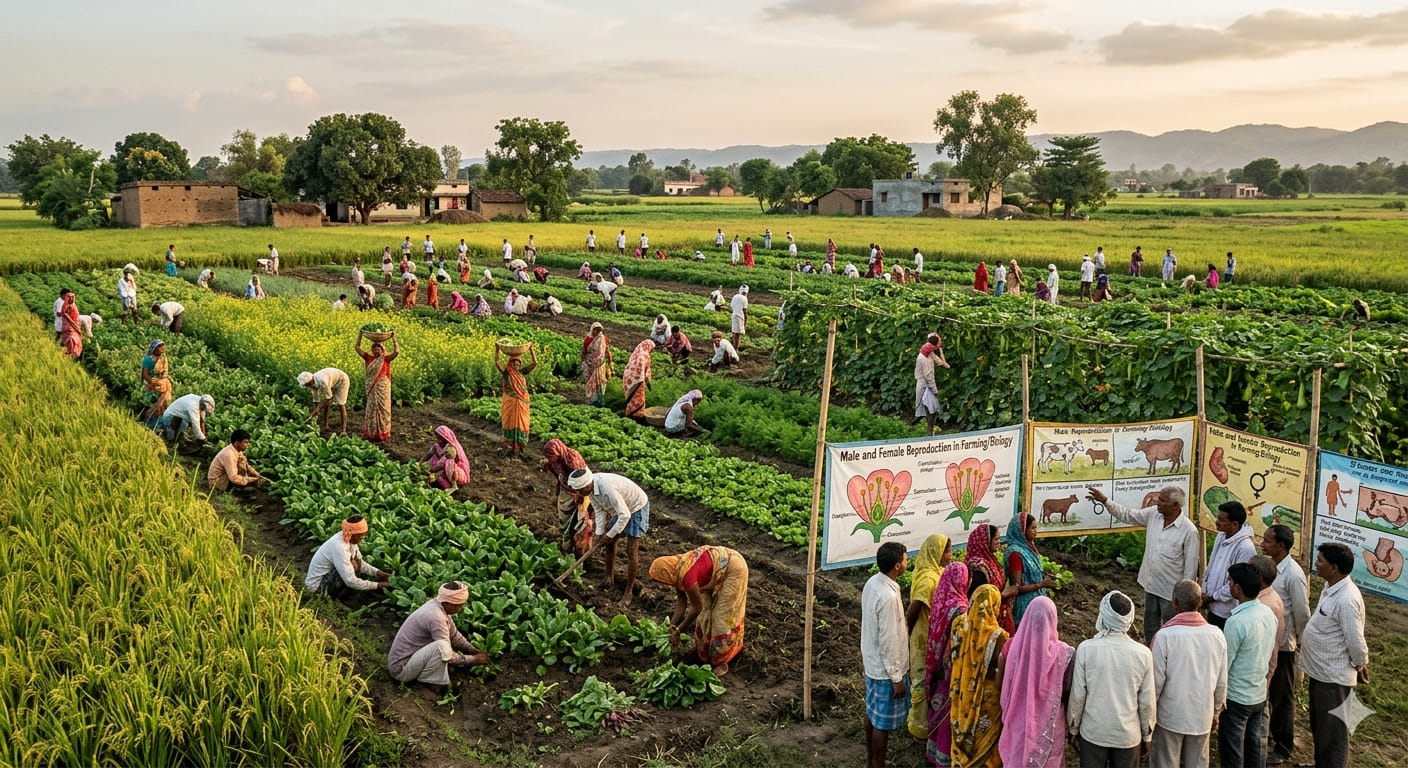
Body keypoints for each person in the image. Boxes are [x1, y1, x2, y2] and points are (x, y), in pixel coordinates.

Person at [1086, 485, 1201, 645]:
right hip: (1151, 584)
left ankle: (1170, 659)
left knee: (1173, 631)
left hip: (1171, 593)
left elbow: (1190, 569)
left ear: (1175, 506)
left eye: (1162, 500)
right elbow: (1128, 515)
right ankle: (1151, 654)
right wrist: (1105, 501)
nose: (1157, 502)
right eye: (1158, 498)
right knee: (1150, 627)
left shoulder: (1189, 531)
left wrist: (1183, 598)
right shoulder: (1154, 514)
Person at [1299, 542, 1369, 768]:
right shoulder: (1332, 587)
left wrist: (1360, 665)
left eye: (1321, 561)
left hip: (1333, 679)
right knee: (1321, 729)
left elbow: (1356, 641)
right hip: (1322, 674)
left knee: (1333, 735)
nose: (1317, 564)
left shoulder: (1346, 599)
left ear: (1334, 568)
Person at [1067, 591, 1156, 768]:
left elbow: (1078, 695)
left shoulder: (1086, 649)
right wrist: (1147, 735)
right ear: (1129, 620)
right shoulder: (1143, 654)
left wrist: (1073, 728)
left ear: (1103, 615)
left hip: (1093, 733)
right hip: (1127, 737)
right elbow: (1147, 702)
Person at [1150, 579, 1227, 768]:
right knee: (1198, 762)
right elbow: (1221, 681)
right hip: (1202, 714)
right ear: (1200, 603)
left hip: (1170, 716)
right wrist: (1216, 712)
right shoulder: (1216, 635)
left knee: (1165, 761)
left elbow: (1155, 683)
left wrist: (1149, 717)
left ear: (1174, 602)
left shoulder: (1164, 636)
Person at [997, 596, 1074, 768]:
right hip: (1048, 725)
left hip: (1016, 719)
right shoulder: (1063, 653)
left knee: (1016, 756)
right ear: (1053, 619)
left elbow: (1000, 683)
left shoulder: (1010, 647)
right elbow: (1067, 690)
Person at [649, 545, 749, 677]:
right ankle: (705, 653)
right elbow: (681, 603)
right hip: (715, 573)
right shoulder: (676, 571)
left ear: (666, 574)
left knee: (722, 619)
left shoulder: (686, 575)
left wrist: (679, 630)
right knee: (705, 617)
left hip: (733, 569)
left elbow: (697, 607)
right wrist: (671, 627)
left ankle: (722, 660)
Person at [1218, 562, 1278, 768]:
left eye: (1230, 582)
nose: (1229, 585)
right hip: (1258, 692)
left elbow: (1224, 664)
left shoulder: (1237, 622)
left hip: (1237, 696)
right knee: (1255, 748)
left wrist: (1216, 701)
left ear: (1237, 588)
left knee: (1233, 751)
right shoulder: (1267, 614)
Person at [388, 581, 488, 700]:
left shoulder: (438, 606)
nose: (461, 608)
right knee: (442, 647)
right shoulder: (436, 617)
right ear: (449, 603)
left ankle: (433, 675)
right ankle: (430, 683)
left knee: (446, 655)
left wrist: (472, 650)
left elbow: (454, 635)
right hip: (401, 670)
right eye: (460, 605)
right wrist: (472, 660)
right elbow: (447, 653)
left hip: (411, 658)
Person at [1260, 525, 1309, 765]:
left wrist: (1300, 640)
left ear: (1281, 546)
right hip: (1266, 642)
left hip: (1283, 646)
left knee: (1281, 698)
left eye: (1267, 541)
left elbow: (1301, 613)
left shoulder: (1293, 574)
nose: (1262, 543)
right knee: (1267, 693)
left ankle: (1283, 746)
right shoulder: (1270, 566)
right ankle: (1269, 734)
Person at [567, 467, 650, 604]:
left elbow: (625, 515)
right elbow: (599, 511)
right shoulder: (589, 490)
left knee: (631, 549)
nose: (580, 493)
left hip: (636, 506)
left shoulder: (607, 488)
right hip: (620, 509)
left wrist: (609, 534)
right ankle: (609, 578)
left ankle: (628, 592)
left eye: (582, 489)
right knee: (609, 543)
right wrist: (599, 534)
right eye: (578, 490)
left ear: (589, 483)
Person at [861, 541, 910, 768]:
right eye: (906, 558)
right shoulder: (888, 597)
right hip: (885, 669)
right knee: (882, 723)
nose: (907, 561)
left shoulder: (874, 583)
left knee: (872, 713)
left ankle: (872, 759)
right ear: (898, 566)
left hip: (873, 663)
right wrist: (897, 677)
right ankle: (878, 763)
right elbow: (889, 639)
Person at [950, 583, 1008, 767]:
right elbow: (1000, 672)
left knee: (961, 726)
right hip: (987, 698)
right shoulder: (999, 636)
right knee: (986, 739)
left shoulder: (959, 623)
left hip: (960, 693)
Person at [901, 535, 950, 739]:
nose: (950, 555)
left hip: (933, 636)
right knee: (921, 677)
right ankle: (919, 726)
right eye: (947, 551)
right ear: (936, 553)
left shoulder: (936, 572)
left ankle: (929, 719)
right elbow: (914, 608)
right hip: (922, 636)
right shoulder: (928, 579)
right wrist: (906, 631)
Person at [924, 562, 970, 765]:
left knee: (939, 703)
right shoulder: (960, 608)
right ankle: (944, 755)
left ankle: (932, 750)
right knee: (949, 711)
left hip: (939, 661)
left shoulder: (943, 598)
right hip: (954, 665)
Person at [1202, 500, 1257, 630]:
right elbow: (1211, 567)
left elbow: (1237, 581)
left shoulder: (1245, 547)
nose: (1216, 521)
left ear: (1234, 524)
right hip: (1212, 604)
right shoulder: (1221, 536)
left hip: (1227, 611)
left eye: (1221, 519)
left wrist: (1212, 597)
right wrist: (1205, 592)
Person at [305, 516, 389, 596]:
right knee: (353, 565)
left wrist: (379, 573)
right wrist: (378, 585)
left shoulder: (349, 538)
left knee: (356, 562)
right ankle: (334, 596)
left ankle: (343, 592)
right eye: (360, 535)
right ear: (352, 533)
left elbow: (360, 562)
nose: (362, 538)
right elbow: (350, 581)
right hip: (317, 586)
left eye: (364, 534)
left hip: (327, 576)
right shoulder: (339, 547)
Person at [542, 439, 592, 556]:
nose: (550, 459)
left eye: (552, 456)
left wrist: (579, 496)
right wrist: (557, 493)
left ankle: (580, 551)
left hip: (579, 493)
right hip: (565, 493)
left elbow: (582, 483)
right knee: (565, 522)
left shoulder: (572, 461)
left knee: (580, 524)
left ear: (559, 452)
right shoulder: (555, 462)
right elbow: (559, 477)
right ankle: (567, 545)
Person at [1005, 512, 1055, 628]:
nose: (1035, 531)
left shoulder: (1029, 547)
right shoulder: (1015, 554)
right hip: (1025, 606)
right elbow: (1017, 587)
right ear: (1022, 531)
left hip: (1037, 602)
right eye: (1032, 528)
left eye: (1036, 527)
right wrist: (1041, 584)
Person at [965, 523, 1014, 634]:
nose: (999, 542)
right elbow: (979, 600)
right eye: (996, 539)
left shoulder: (991, 560)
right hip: (985, 622)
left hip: (998, 612)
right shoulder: (978, 569)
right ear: (985, 541)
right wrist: (1003, 595)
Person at [495, 345, 538, 457]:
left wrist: (531, 349)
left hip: (522, 403)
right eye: (514, 363)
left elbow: (535, 363)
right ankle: (509, 446)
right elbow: (497, 362)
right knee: (510, 422)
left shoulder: (521, 374)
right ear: (510, 364)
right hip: (511, 403)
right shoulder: (507, 373)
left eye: (518, 364)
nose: (516, 365)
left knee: (522, 424)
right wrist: (497, 349)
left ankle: (520, 446)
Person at [356, 332, 399, 442]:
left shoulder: (386, 359)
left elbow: (397, 352)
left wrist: (393, 338)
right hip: (371, 388)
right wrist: (360, 335)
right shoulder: (368, 358)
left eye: (378, 349)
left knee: (383, 409)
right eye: (374, 349)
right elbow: (357, 347)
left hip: (383, 389)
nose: (376, 351)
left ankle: (383, 432)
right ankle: (371, 433)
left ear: (382, 350)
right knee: (371, 409)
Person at [207, 428, 266, 493]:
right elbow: (234, 478)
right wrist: (253, 479)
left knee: (242, 462)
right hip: (218, 482)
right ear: (237, 443)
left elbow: (246, 466)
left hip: (225, 476)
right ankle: (231, 490)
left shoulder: (237, 450)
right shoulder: (229, 454)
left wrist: (257, 474)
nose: (248, 444)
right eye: (245, 442)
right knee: (251, 490)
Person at [298, 368, 350, 434]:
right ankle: (326, 426)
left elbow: (329, 398)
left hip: (342, 380)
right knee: (326, 404)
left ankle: (343, 430)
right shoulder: (312, 385)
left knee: (341, 404)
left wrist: (317, 410)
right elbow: (316, 400)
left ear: (310, 381)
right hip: (332, 381)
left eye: (307, 385)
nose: (307, 386)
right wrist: (314, 415)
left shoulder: (322, 381)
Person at [424, 425, 471, 490]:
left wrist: (431, 471)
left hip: (458, 474)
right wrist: (419, 463)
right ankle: (445, 482)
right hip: (447, 473)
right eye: (437, 438)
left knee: (448, 461)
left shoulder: (451, 448)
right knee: (435, 457)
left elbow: (441, 463)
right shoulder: (438, 445)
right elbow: (429, 453)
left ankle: (454, 486)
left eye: (440, 439)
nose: (439, 441)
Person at [913, 342, 943, 436]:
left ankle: (929, 430)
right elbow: (928, 376)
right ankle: (930, 432)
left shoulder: (922, 356)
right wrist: (934, 390)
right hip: (925, 384)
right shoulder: (925, 359)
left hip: (922, 383)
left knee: (928, 406)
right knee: (931, 406)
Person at [140, 339, 171, 427]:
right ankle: (148, 423)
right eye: (160, 347)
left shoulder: (163, 359)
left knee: (163, 404)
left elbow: (164, 374)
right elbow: (144, 374)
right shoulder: (148, 360)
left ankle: (158, 425)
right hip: (152, 386)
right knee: (152, 403)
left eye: (162, 346)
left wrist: (161, 382)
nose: (162, 348)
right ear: (154, 349)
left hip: (163, 385)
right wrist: (152, 382)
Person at [621, 340, 655, 420]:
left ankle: (630, 412)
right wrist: (648, 382)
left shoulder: (636, 353)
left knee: (631, 396)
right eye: (652, 349)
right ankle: (637, 415)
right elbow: (646, 371)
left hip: (628, 378)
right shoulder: (646, 355)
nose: (652, 351)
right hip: (638, 380)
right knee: (639, 397)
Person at [581, 322, 613, 406]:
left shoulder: (603, 339)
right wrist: (582, 362)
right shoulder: (588, 339)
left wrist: (610, 363)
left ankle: (598, 401)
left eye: (599, 330)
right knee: (589, 382)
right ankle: (591, 400)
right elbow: (584, 351)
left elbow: (607, 351)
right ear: (592, 329)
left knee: (599, 382)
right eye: (595, 329)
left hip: (599, 365)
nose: (596, 332)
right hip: (589, 363)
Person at [56, 290, 83, 358]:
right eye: (69, 297)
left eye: (73, 297)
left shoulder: (73, 305)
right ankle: (70, 354)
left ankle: (74, 354)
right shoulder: (65, 305)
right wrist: (72, 323)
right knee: (71, 339)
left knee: (76, 339)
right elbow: (64, 314)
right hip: (69, 326)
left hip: (74, 324)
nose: (71, 298)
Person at [730, 285, 749, 351]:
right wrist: (745, 321)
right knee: (738, 335)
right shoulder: (744, 298)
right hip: (739, 317)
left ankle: (733, 345)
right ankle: (735, 350)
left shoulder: (735, 296)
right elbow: (744, 311)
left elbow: (732, 307)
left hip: (734, 315)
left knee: (734, 333)